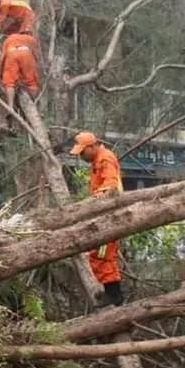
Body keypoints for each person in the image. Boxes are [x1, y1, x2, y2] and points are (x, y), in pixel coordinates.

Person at [70, 131, 125, 307]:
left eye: (82, 152)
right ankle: (112, 294)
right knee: (103, 255)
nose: (81, 156)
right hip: (105, 214)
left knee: (101, 255)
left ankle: (114, 296)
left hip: (109, 216)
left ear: (92, 147)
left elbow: (110, 187)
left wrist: (91, 204)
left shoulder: (105, 159)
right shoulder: (97, 160)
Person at [0, 31, 39, 132]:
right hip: (26, 54)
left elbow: (3, 58)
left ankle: (10, 106)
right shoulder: (31, 39)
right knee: (31, 82)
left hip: (11, 53)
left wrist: (1, 74)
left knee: (9, 81)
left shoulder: (9, 38)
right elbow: (36, 57)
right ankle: (32, 103)